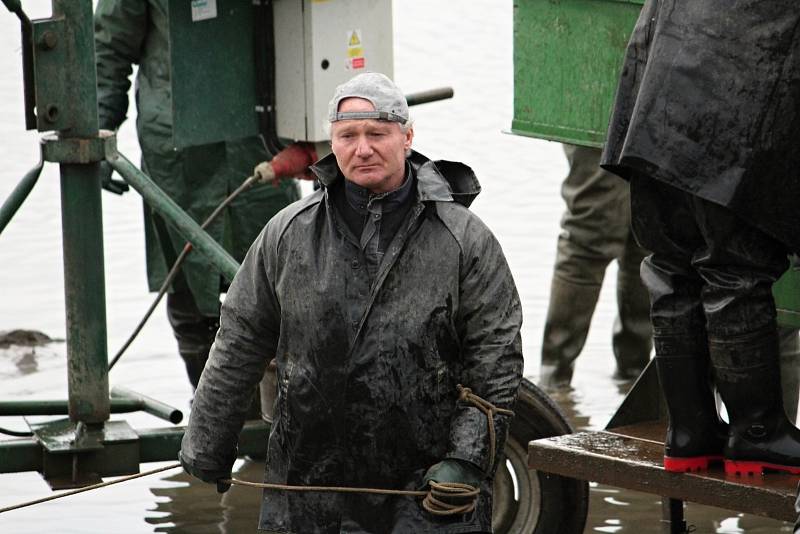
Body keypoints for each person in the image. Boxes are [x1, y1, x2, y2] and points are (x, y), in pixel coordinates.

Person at [179, 72, 523, 533]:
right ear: (332, 143)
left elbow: (496, 359)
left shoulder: (464, 239)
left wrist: (468, 458)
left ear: (407, 137)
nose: (363, 149)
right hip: (308, 482)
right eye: (348, 136)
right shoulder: (287, 234)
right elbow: (239, 338)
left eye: (377, 134)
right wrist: (208, 441)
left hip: (426, 487)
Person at [602, 1, 800, 474]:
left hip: (657, 101)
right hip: (731, 101)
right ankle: (757, 430)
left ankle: (689, 431)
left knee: (672, 266)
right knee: (736, 267)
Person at [94, 1, 299, 389]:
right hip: (177, 147)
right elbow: (109, 46)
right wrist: (99, 128)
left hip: (260, 140)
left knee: (279, 281)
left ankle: (275, 420)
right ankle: (212, 418)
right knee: (191, 293)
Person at [539, 144, 652, 390]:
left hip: (659, 115)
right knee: (591, 231)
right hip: (606, 114)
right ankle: (554, 383)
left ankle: (634, 384)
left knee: (647, 232)